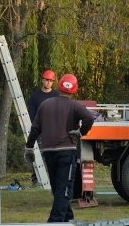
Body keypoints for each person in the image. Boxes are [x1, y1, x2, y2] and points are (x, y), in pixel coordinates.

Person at [25, 73, 94, 223]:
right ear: (74, 90)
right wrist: (80, 132)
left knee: (58, 188)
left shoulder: (45, 105)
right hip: (66, 152)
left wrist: (29, 147)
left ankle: (68, 218)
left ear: (59, 86)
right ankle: (55, 222)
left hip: (49, 152)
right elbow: (89, 118)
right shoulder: (75, 105)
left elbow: (35, 128)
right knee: (63, 189)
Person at [27, 69, 59, 186]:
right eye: (46, 80)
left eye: (51, 80)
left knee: (53, 156)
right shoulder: (35, 97)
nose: (48, 82)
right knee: (38, 156)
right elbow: (31, 115)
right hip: (40, 131)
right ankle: (36, 180)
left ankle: (52, 180)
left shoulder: (56, 96)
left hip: (54, 131)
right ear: (42, 80)